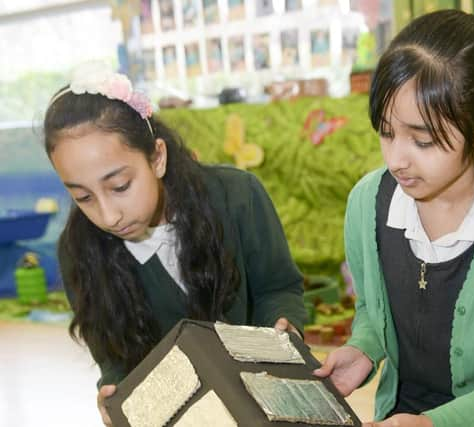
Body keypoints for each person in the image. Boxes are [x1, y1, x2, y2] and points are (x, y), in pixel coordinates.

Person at [314, 10, 474, 427]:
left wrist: (435, 423)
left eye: (423, 140)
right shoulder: (368, 202)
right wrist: (363, 350)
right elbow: (373, 312)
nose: (397, 159)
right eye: (386, 132)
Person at [43, 62, 307, 426]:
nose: (108, 216)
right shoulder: (78, 253)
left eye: (120, 186)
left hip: (264, 402)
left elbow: (278, 287)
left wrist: (283, 325)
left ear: (158, 157)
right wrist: (114, 394)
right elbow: (114, 362)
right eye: (83, 197)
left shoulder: (236, 197)